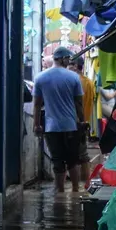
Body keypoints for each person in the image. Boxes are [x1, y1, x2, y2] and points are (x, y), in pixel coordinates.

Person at [34, 47, 85, 193]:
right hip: (70, 125)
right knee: (72, 159)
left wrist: (36, 124)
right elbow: (78, 103)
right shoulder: (73, 77)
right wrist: (82, 121)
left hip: (51, 127)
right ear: (62, 58)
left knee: (57, 160)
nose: (69, 62)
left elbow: (37, 104)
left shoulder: (40, 78)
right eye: (68, 59)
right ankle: (75, 189)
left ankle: (60, 190)